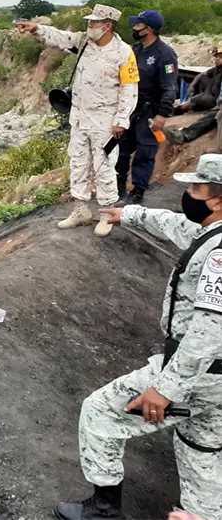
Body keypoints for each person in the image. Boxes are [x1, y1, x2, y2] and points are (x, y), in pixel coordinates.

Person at [53, 153, 222, 520]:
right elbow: (178, 225)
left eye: (196, 188)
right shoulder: (214, 234)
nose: (189, 195)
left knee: (99, 413)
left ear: (218, 199)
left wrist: (165, 389)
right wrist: (126, 214)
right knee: (202, 447)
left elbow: (210, 333)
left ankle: (104, 512)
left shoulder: (221, 254)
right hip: (216, 383)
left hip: (199, 375)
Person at [17, 4, 139, 237]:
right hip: (80, 117)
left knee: (103, 166)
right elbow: (61, 38)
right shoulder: (84, 42)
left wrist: (122, 120)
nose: (89, 26)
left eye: (94, 22)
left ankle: (106, 214)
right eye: (89, 22)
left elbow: (129, 89)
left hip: (105, 120)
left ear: (107, 26)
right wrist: (36, 29)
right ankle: (80, 209)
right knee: (78, 163)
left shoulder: (123, 53)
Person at [116, 10, 179, 205]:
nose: (134, 28)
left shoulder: (165, 54)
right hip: (130, 109)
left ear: (148, 29)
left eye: (138, 25)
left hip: (150, 111)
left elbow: (170, 87)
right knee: (122, 151)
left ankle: (137, 192)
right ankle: (118, 189)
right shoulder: (135, 50)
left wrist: (162, 115)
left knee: (145, 152)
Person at [176, 48, 222, 115]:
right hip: (203, 97)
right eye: (216, 57)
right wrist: (192, 85)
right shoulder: (214, 70)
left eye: (220, 57)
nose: (217, 59)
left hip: (214, 102)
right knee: (182, 107)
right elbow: (200, 74)